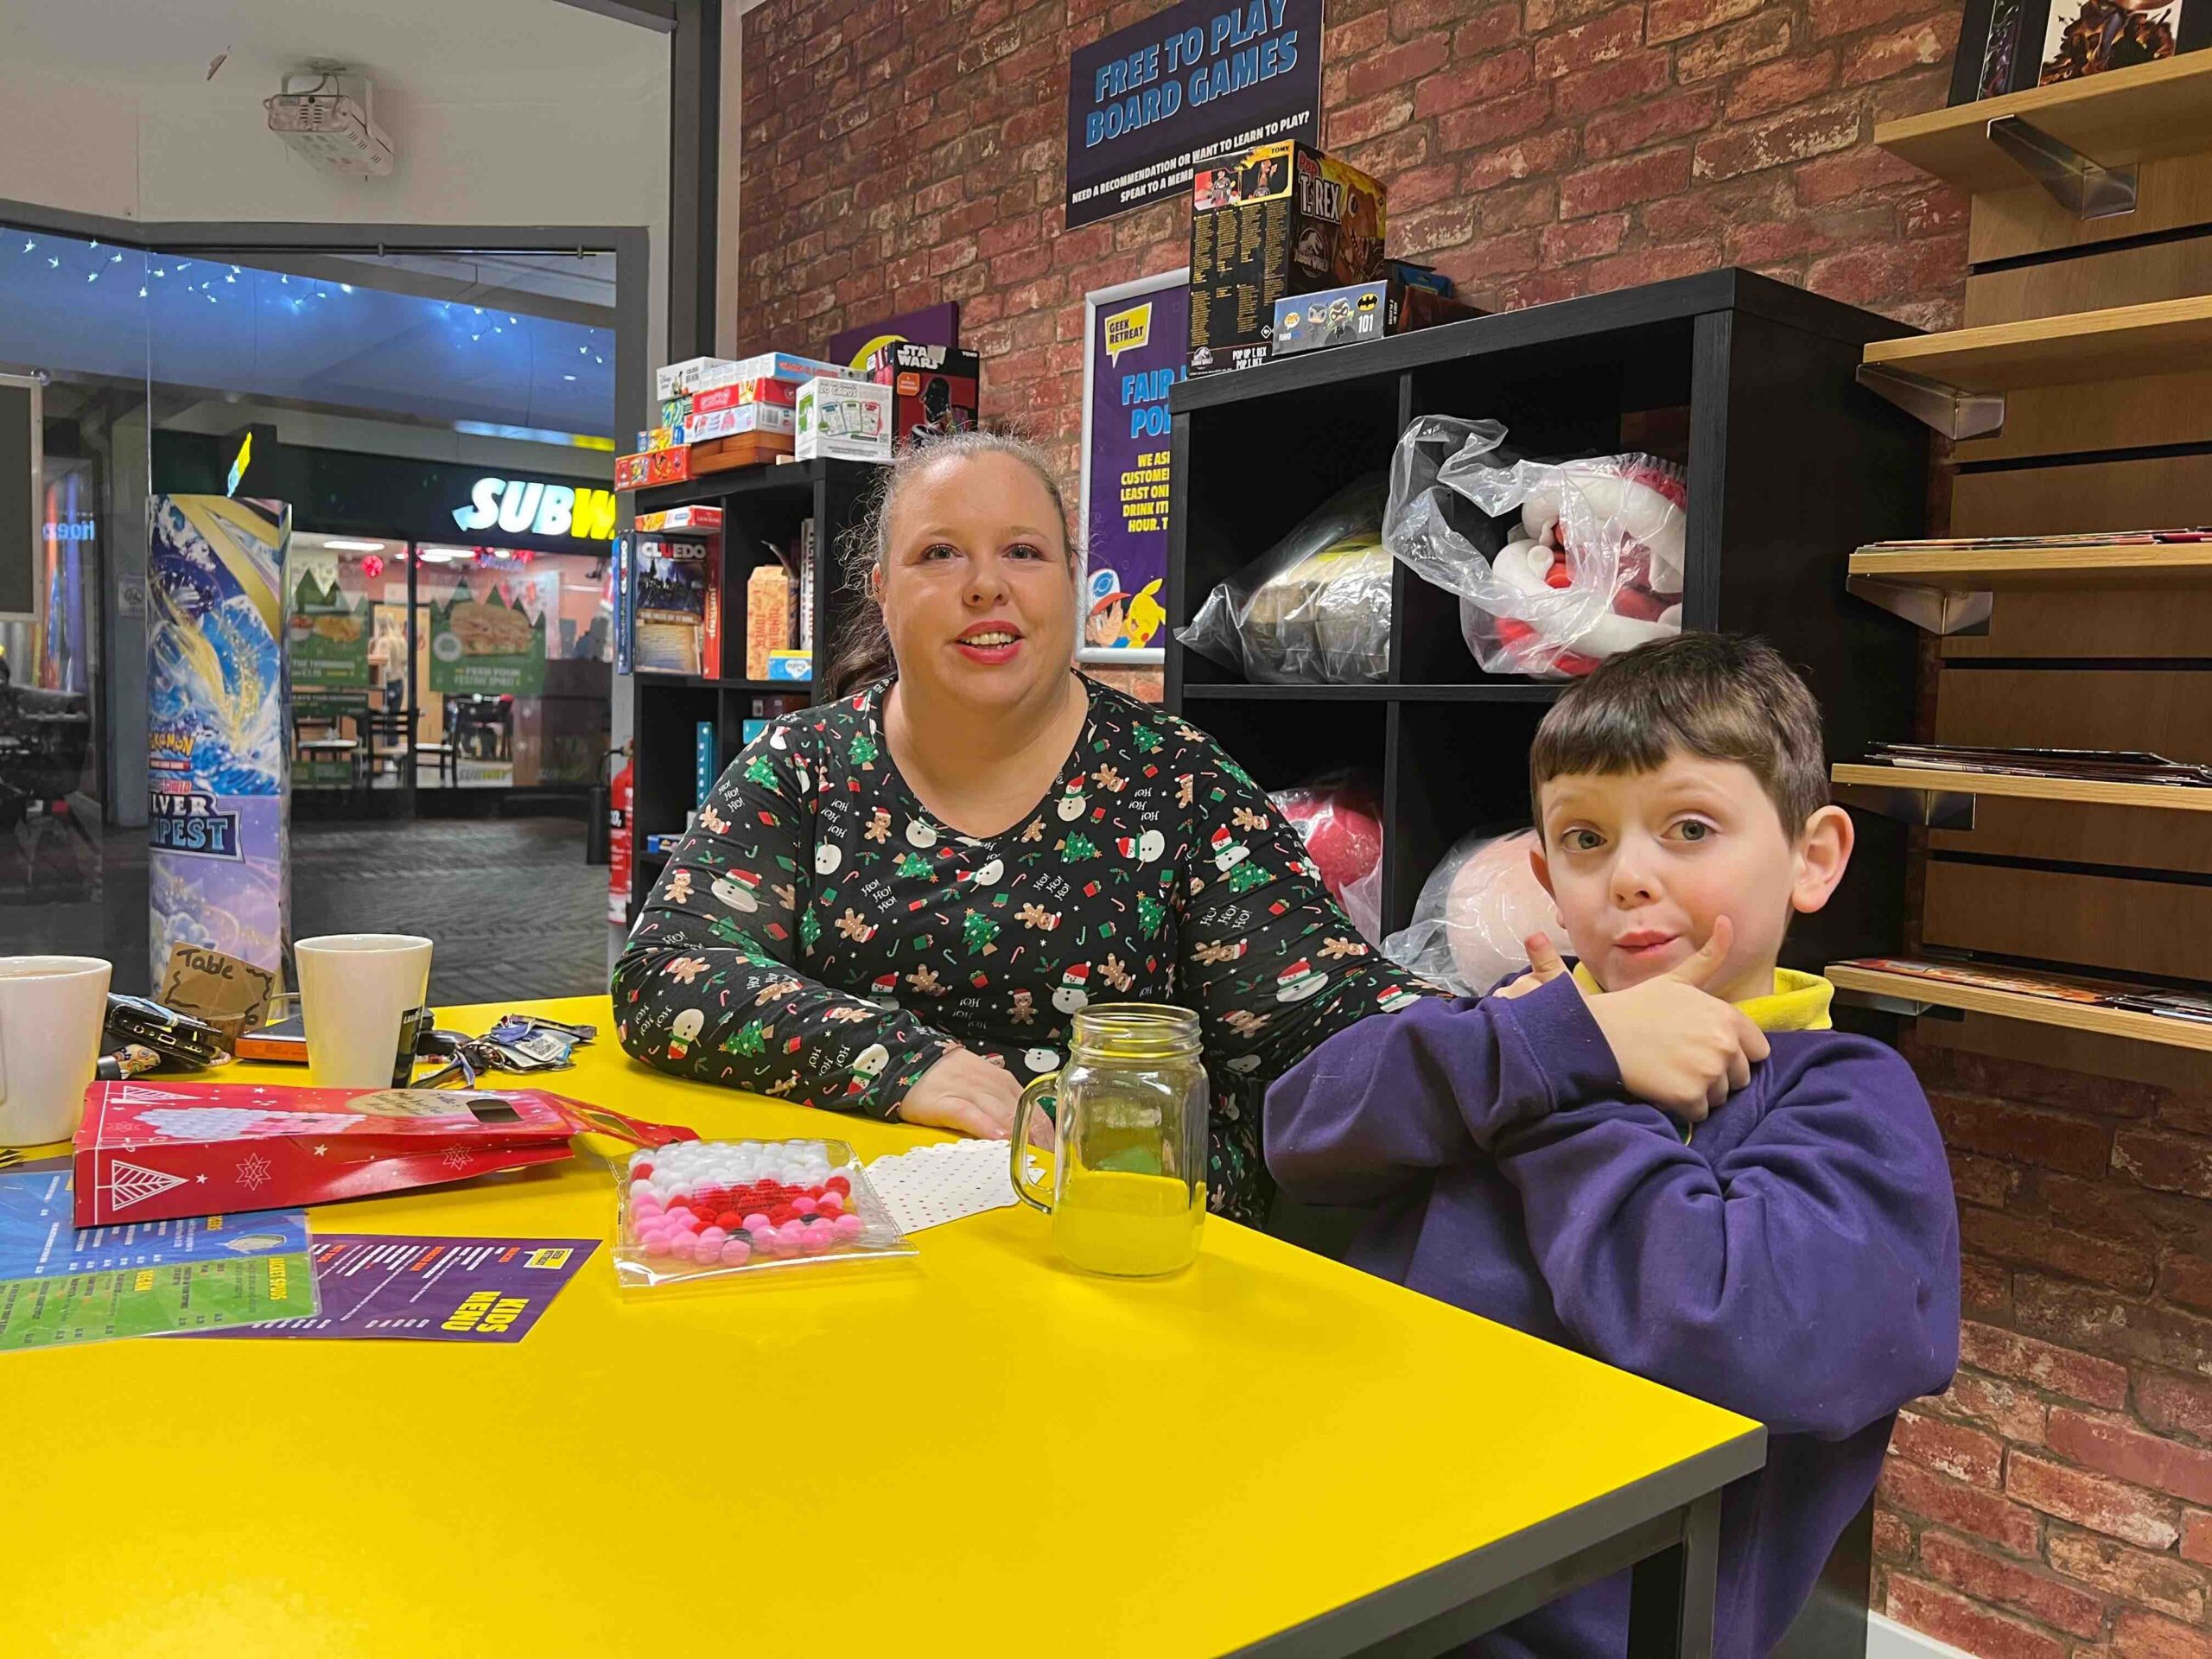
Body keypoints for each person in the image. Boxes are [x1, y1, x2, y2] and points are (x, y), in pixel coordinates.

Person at [1264, 633, 1959, 1658]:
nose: (1628, 877)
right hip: (1350, 1570)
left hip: (1580, 1629)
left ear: (1812, 859)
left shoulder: (1853, 1102)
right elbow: (1302, 1131)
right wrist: (1558, 1046)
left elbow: (1745, 1339)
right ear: (1545, 874)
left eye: (1688, 827)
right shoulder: (1518, 1028)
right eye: (1586, 841)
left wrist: (1574, 1089)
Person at [613, 430, 1430, 1221]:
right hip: (849, 1232)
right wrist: (903, 1064)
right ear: (881, 592)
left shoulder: (1177, 780)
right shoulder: (805, 763)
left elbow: (1319, 1010)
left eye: (1024, 552)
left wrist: (1515, 1022)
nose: (984, 585)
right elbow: (668, 971)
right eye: (939, 553)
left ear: (1071, 581)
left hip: (1121, 1243)